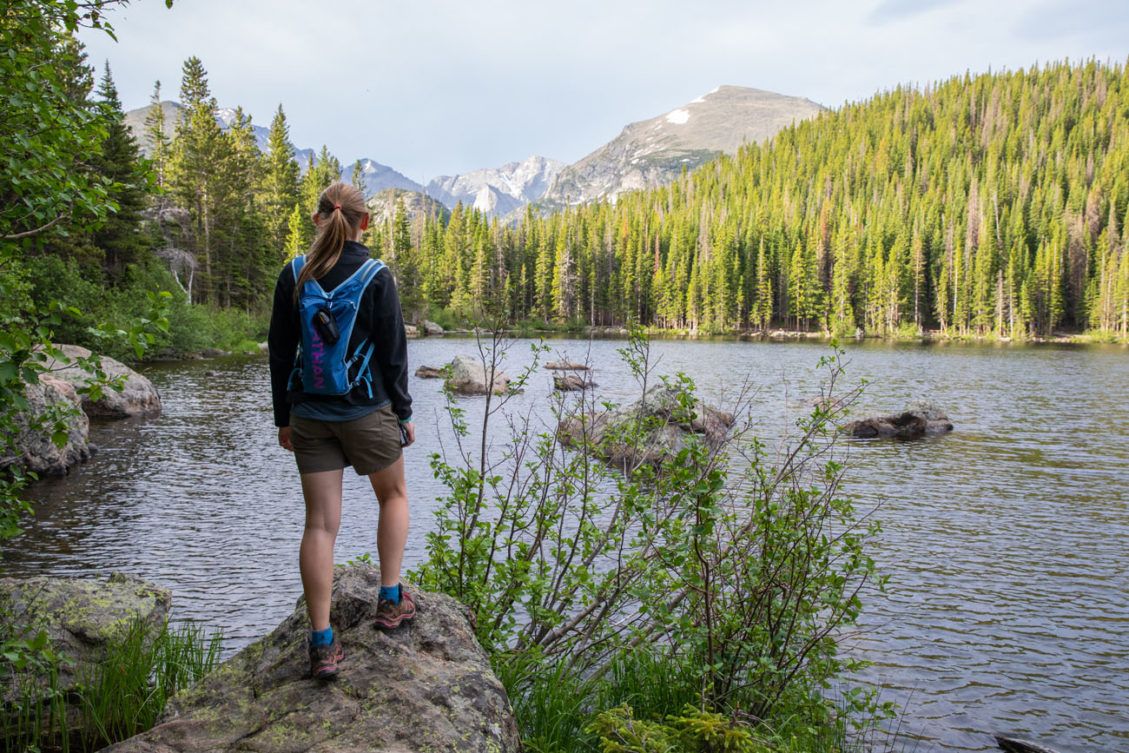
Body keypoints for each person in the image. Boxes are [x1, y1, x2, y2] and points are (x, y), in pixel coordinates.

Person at [268, 181, 416, 681]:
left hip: (309, 413)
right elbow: (394, 353)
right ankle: (391, 601)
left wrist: (283, 418)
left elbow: (279, 352)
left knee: (319, 525)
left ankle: (322, 643)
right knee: (393, 496)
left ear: (318, 219)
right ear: (364, 223)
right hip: (366, 411)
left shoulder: (294, 273)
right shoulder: (376, 275)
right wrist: (403, 412)